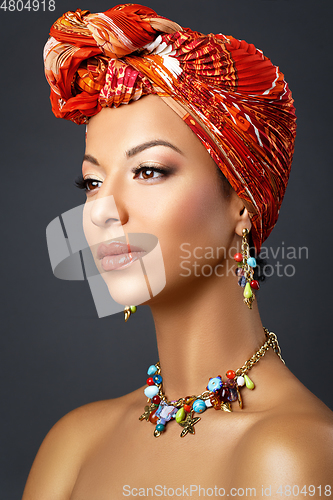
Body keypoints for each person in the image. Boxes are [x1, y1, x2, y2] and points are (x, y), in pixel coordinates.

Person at [23, 4, 333, 499]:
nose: (104, 210)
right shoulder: (73, 445)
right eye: (92, 181)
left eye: (148, 171)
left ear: (242, 203)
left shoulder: (293, 458)